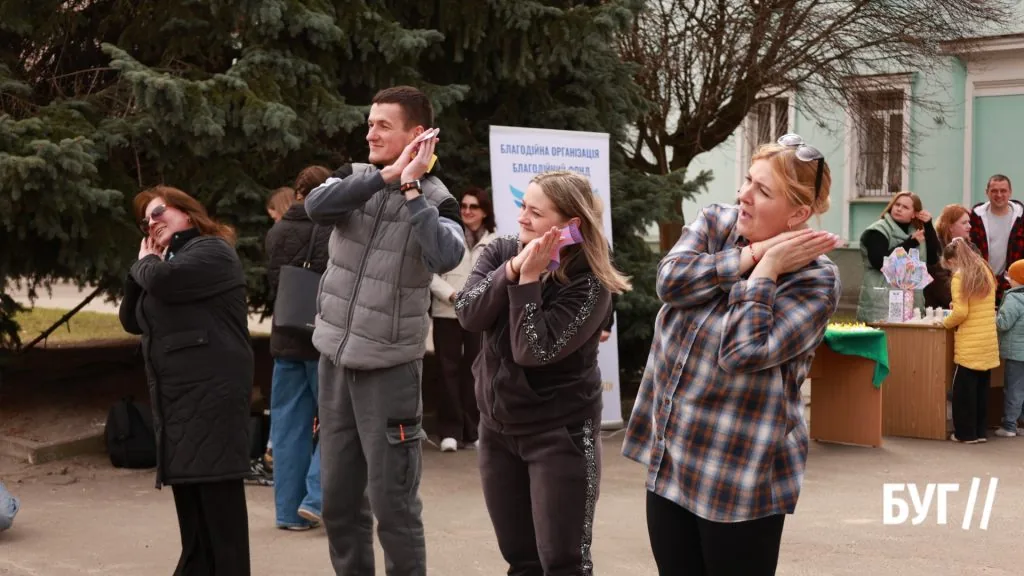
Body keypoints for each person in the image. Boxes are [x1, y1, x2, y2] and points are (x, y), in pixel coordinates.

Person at [622, 133, 842, 576]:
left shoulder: (817, 280)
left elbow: (743, 352)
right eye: (747, 181)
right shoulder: (717, 223)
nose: (743, 195)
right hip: (673, 456)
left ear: (798, 213)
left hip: (738, 474)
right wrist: (751, 255)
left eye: (762, 191)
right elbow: (670, 282)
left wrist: (767, 270)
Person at [304, 85, 465, 575]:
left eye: (382, 125)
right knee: (339, 504)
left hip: (389, 370)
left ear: (416, 134)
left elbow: (446, 255)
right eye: (370, 122)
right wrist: (385, 178)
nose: (369, 132)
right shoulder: (353, 179)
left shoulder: (440, 198)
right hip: (334, 363)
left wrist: (411, 189)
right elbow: (315, 207)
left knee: (394, 508)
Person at [455, 170, 630, 576]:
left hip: (560, 436)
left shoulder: (591, 283)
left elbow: (533, 350)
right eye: (522, 207)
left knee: (562, 562)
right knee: (521, 559)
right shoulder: (501, 250)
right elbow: (467, 313)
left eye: (535, 212)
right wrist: (514, 269)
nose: (522, 218)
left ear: (571, 225)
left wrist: (529, 280)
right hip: (498, 431)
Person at [118, 185, 253, 575]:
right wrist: (140, 266)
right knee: (194, 515)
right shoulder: (163, 261)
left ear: (188, 214)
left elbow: (163, 283)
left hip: (212, 397)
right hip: (178, 400)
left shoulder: (212, 251)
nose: (152, 223)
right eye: (145, 220)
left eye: (159, 212)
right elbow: (131, 319)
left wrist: (145, 265)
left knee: (220, 516)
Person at [265, 166, 333, 529]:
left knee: (289, 427)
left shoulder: (276, 231)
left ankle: (288, 513)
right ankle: (317, 498)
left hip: (286, 339)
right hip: (323, 340)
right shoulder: (334, 229)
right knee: (338, 423)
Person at [429, 186, 497, 452]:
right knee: (447, 371)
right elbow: (426, 271)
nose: (467, 211)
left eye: (473, 207)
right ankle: (449, 431)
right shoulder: (447, 234)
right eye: (464, 206)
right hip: (446, 312)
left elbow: (500, 275)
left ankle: (473, 430)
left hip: (478, 315)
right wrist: (450, 295)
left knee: (475, 372)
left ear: (484, 212)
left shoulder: (495, 241)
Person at [939, 237, 1000, 443]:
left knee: (963, 390)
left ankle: (965, 433)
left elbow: (962, 312)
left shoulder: (960, 277)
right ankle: (980, 431)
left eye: (949, 266)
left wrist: (945, 323)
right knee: (982, 389)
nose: (950, 271)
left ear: (953, 260)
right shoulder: (985, 270)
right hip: (987, 339)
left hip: (970, 341)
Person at [856, 191, 939, 322]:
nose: (899, 209)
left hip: (912, 304)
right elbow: (880, 262)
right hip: (881, 303)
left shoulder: (917, 233)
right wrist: (910, 243)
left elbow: (933, 259)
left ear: (914, 214)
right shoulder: (878, 230)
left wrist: (928, 225)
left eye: (905, 207)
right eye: (897, 204)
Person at [969, 174, 1024, 304]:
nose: (999, 195)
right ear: (987, 192)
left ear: (1010, 192)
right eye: (994, 191)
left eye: (1003, 190)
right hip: (981, 283)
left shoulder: (1021, 220)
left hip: (1014, 285)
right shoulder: (975, 219)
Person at [994, 259, 1024, 437]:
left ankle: (1009, 426)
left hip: (1016, 354)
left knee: (1013, 388)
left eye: (1011, 277)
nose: (1008, 280)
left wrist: (993, 317)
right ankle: (1020, 423)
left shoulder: (1014, 298)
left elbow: (1004, 323)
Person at [925, 204, 973, 309]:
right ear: (950, 227)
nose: (969, 226)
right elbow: (942, 285)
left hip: (967, 306)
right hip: (942, 311)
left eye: (969, 222)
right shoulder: (937, 248)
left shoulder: (971, 248)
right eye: (964, 223)